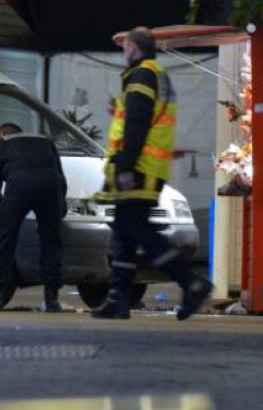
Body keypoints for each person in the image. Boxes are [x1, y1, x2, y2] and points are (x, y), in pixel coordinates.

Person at [93, 26, 212, 320]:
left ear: (133, 48)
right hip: (147, 165)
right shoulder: (157, 75)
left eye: (125, 48)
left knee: (139, 230)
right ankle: (118, 299)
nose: (123, 53)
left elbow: (137, 122)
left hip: (138, 168)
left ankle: (190, 281)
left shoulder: (141, 76)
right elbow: (142, 116)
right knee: (124, 233)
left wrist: (125, 165)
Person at [0, 122, 68, 312]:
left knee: (5, 242)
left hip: (19, 186)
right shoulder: (46, 143)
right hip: (50, 187)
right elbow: (60, 177)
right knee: (51, 242)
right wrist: (60, 208)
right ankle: (51, 297)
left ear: (2, 134)